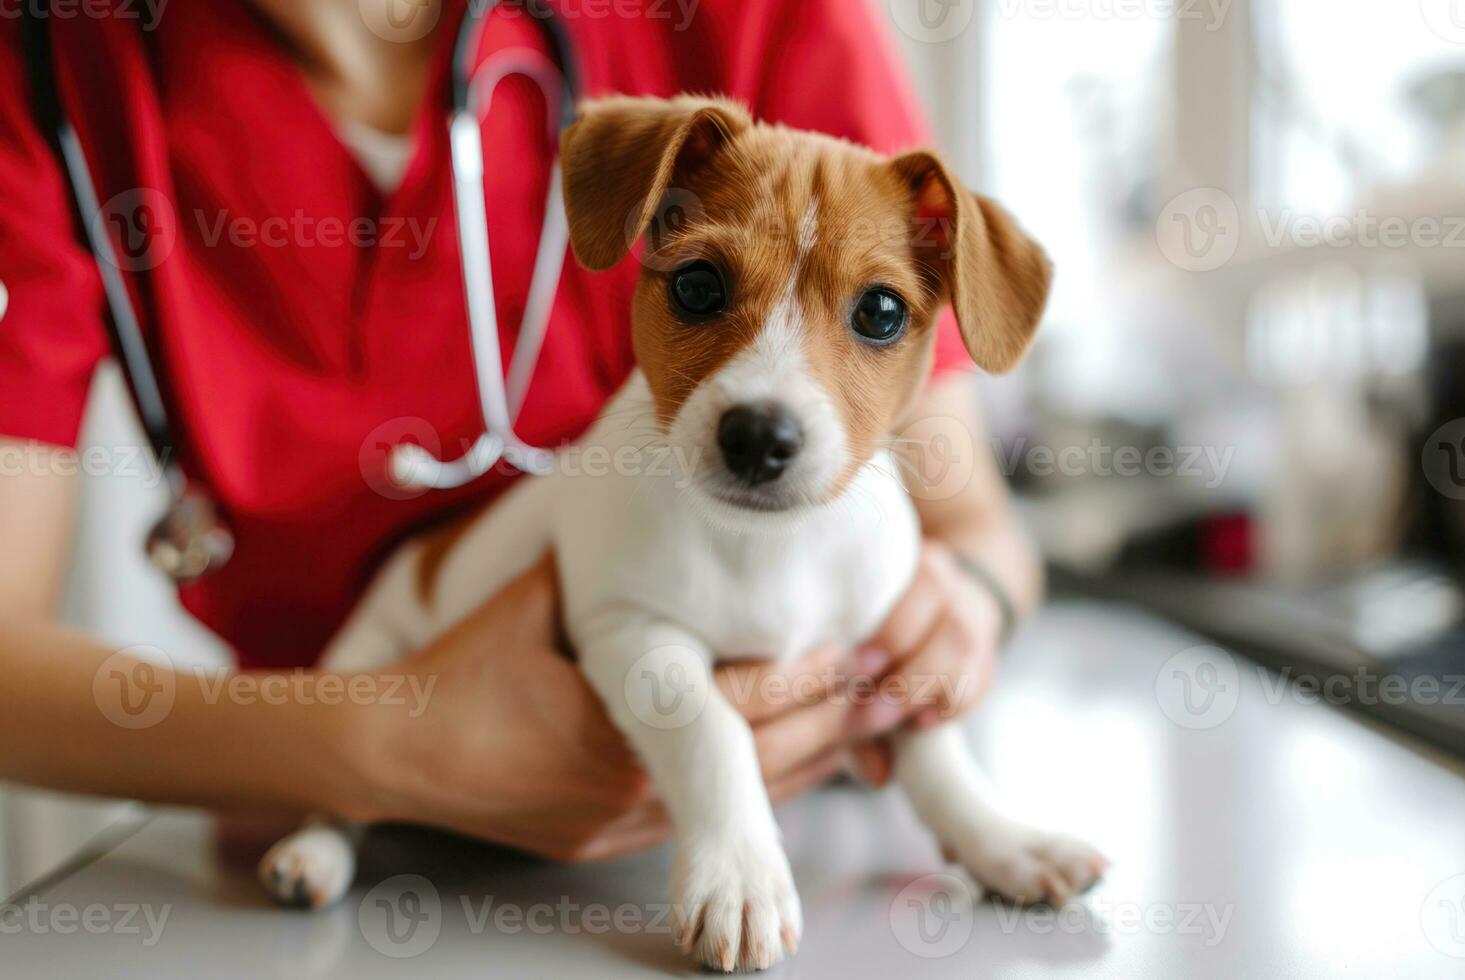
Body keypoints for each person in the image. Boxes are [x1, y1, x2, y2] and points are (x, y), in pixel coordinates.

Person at [0, 0, 1040, 864]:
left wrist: (961, 613)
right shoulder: (47, 61)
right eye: (702, 285)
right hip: (320, 809)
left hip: (799, 821)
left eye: (874, 317)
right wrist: (371, 743)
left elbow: (973, 531)